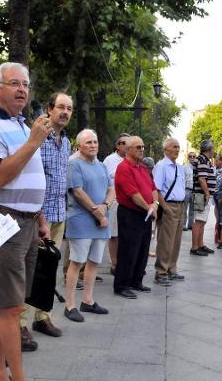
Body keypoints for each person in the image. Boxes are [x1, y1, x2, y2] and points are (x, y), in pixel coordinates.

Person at [0, 62, 52, 381]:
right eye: (14, 83)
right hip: (4, 220)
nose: (22, 89)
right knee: (10, 306)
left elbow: (31, 175)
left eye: (26, 84)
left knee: (2, 300)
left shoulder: (20, 123)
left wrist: (40, 217)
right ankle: (15, 375)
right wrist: (33, 142)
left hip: (26, 221)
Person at [30, 92, 73, 338]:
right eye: (61, 107)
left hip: (59, 213)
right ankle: (21, 325)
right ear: (49, 109)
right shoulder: (38, 136)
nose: (65, 112)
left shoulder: (66, 142)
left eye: (69, 108)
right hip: (38, 216)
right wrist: (38, 217)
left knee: (50, 268)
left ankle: (42, 317)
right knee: (32, 269)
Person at [64, 129, 114, 322]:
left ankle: (88, 300)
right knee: (76, 263)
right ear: (79, 146)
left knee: (94, 262)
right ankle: (70, 305)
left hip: (102, 221)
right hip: (81, 220)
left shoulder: (101, 166)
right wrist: (97, 212)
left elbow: (111, 189)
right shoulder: (74, 164)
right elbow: (77, 192)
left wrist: (105, 206)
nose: (93, 145)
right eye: (88, 143)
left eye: (95, 142)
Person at [113, 136, 158, 299]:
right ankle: (121, 285)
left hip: (144, 214)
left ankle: (136, 281)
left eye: (143, 147)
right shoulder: (124, 168)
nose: (141, 149)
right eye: (138, 147)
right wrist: (149, 208)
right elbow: (133, 195)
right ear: (128, 149)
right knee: (128, 250)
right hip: (130, 213)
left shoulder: (142, 168)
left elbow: (153, 188)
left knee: (143, 248)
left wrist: (155, 204)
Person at [153, 138, 186, 286]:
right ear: (166, 149)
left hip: (180, 206)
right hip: (169, 206)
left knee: (177, 240)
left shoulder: (179, 167)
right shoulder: (161, 166)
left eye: (178, 147)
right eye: (174, 147)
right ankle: (161, 272)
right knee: (165, 240)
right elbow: (157, 189)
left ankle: (172, 268)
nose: (177, 150)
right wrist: (165, 207)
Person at [103, 133, 131, 274]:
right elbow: (104, 180)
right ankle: (114, 263)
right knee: (114, 235)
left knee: (126, 234)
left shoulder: (132, 160)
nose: (128, 146)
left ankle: (125, 262)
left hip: (130, 202)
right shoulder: (109, 160)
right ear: (118, 145)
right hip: (115, 201)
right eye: (125, 143)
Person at [190, 140, 216, 256]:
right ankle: (195, 247)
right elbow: (202, 179)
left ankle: (200, 244)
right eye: (213, 148)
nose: (214, 150)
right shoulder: (202, 160)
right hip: (201, 195)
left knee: (202, 221)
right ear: (210, 149)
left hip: (203, 194)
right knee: (199, 221)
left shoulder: (204, 160)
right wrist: (207, 193)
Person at [183, 152, 196, 231]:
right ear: (188, 157)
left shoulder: (197, 167)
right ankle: (183, 225)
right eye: (190, 156)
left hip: (194, 190)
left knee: (192, 209)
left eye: (194, 156)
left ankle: (190, 225)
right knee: (184, 208)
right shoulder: (184, 167)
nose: (192, 158)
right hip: (186, 190)